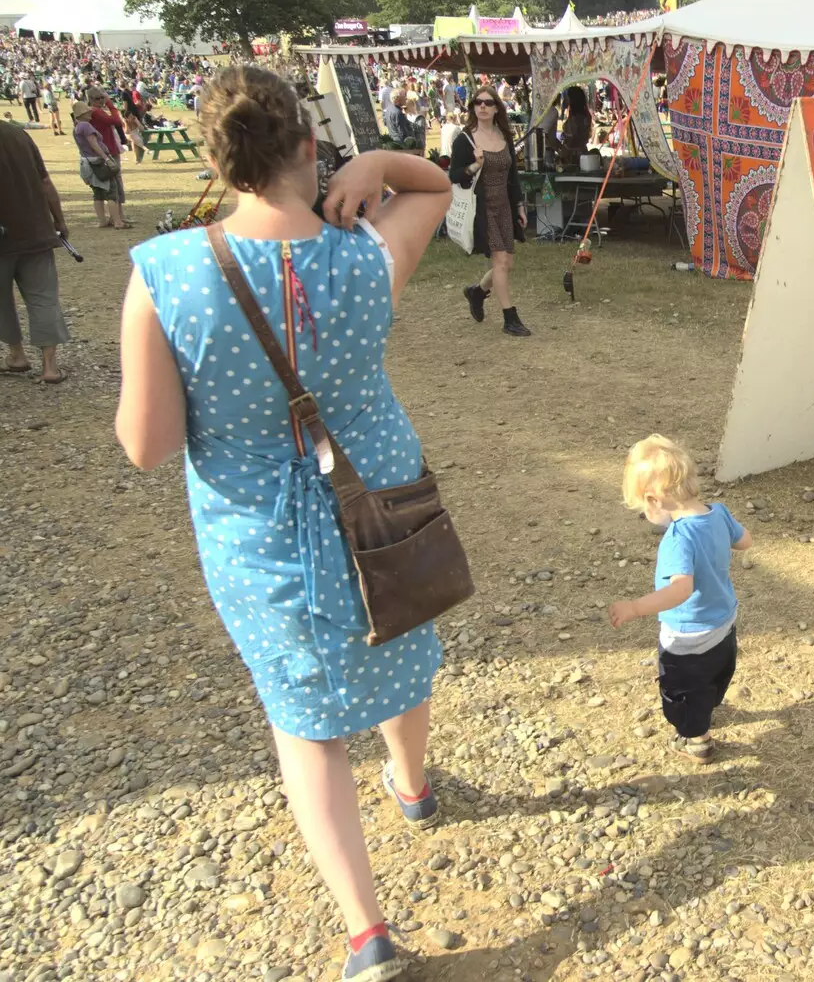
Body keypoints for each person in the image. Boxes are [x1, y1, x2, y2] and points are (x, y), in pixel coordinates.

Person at [114, 65, 453, 982]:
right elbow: (437, 185)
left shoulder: (164, 273)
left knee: (303, 721)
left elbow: (146, 446)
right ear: (309, 147)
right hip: (379, 498)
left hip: (257, 526)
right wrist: (377, 160)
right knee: (401, 626)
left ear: (220, 161)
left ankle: (366, 931)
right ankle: (415, 785)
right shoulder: (367, 254)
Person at [607, 435, 753, 763]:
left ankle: (697, 739)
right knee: (717, 670)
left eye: (644, 508)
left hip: (688, 635)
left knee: (682, 688)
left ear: (655, 499)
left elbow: (680, 590)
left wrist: (634, 608)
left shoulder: (678, 538)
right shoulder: (719, 513)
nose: (647, 515)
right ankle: (710, 702)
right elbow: (745, 542)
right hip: (724, 621)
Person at [453, 86, 530, 337]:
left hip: (504, 206)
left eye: (488, 102)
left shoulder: (504, 135)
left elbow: (513, 176)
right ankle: (510, 318)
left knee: (508, 263)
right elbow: (454, 175)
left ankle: (477, 291)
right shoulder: (465, 139)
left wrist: (519, 205)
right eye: (478, 102)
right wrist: (476, 164)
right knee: (499, 261)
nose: (482, 107)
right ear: (473, 107)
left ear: (497, 107)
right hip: (482, 208)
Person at [0, 117, 71, 384]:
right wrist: (60, 220)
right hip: (35, 231)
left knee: (1, 302)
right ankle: (50, 366)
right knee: (44, 298)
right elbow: (45, 183)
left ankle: (17, 355)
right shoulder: (19, 135)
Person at [71, 100, 131, 230]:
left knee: (97, 193)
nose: (90, 113)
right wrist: (106, 158)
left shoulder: (76, 127)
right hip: (98, 161)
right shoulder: (86, 126)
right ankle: (117, 222)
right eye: (87, 112)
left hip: (87, 162)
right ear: (82, 114)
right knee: (111, 191)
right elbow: (94, 144)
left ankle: (102, 221)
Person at [559, 85, 592, 166]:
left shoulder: (574, 118)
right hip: (583, 152)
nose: (565, 99)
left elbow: (571, 139)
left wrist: (562, 153)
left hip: (572, 156)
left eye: (567, 97)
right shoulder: (586, 115)